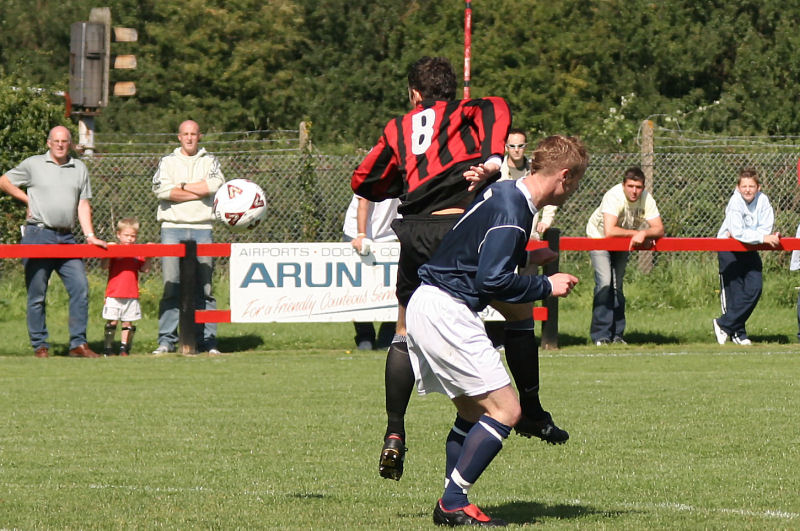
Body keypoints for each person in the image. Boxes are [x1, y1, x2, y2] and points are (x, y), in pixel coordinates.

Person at [352, 56, 568, 483]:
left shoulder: (398, 127)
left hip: (414, 231)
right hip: (457, 225)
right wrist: (489, 158)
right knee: (519, 312)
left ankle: (395, 431)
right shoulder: (465, 112)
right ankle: (531, 409)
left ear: (414, 93)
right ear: (451, 91)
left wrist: (404, 182)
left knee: (403, 330)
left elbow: (364, 180)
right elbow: (499, 107)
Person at [406, 135, 587, 526]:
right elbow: (492, 281)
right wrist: (546, 286)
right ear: (565, 176)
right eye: (576, 183)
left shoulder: (505, 190)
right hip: (447, 309)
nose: (573, 192)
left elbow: (478, 251)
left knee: (474, 414)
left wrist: (527, 254)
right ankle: (453, 501)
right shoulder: (513, 208)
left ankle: (450, 501)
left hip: (428, 302)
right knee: (506, 410)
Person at [0, 125, 107, 358]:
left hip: (67, 237)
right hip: (38, 234)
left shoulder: (79, 168)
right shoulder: (33, 164)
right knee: (37, 293)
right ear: (49, 143)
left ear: (70, 144)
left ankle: (78, 344)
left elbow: (83, 204)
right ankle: (40, 346)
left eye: (65, 141)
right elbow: (4, 181)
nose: (60, 144)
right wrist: (27, 199)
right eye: (56, 140)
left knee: (80, 288)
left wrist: (90, 236)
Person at [151, 120, 225, 354]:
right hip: (172, 229)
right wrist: (197, 191)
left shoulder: (210, 161)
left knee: (204, 289)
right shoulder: (167, 162)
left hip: (203, 228)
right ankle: (166, 341)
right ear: (179, 137)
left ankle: (208, 341)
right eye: (186, 134)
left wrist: (181, 187)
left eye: (194, 134)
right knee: (171, 286)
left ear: (199, 136)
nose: (190, 138)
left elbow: (216, 185)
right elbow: (162, 191)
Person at [586, 166, 664, 346]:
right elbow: (609, 231)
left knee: (617, 284)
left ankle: (617, 335)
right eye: (630, 186)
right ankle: (601, 335)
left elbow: (659, 228)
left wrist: (644, 234)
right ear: (623, 185)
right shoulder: (614, 196)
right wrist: (635, 233)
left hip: (623, 240)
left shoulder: (646, 199)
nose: (634, 191)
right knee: (605, 281)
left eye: (638, 187)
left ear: (643, 187)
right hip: (599, 238)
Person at [712, 168, 780, 345]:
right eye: (744, 186)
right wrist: (758, 236)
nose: (748, 190)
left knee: (754, 288)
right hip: (729, 248)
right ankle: (738, 334)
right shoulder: (735, 202)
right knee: (735, 292)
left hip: (750, 249)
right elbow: (737, 232)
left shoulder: (763, 201)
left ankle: (723, 324)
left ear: (758, 187)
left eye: (751, 186)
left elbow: (765, 228)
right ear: (738, 187)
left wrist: (756, 236)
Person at [342, 194, 401, 350]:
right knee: (357, 289)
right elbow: (364, 200)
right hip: (356, 232)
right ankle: (364, 337)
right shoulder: (370, 170)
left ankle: (387, 336)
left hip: (388, 234)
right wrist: (361, 235)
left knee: (394, 289)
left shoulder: (405, 170)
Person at [101, 217, 151, 356]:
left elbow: (145, 269)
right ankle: (108, 347)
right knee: (112, 321)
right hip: (114, 292)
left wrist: (150, 255)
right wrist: (108, 252)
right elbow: (104, 267)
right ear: (118, 235)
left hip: (131, 293)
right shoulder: (115, 250)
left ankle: (124, 348)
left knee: (127, 322)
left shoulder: (137, 251)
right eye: (126, 235)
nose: (129, 239)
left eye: (133, 236)